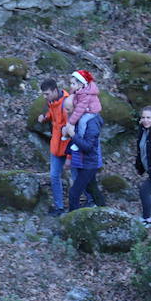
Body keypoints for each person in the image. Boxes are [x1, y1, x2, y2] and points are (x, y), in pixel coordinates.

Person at [36, 78, 72, 216]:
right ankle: (59, 207)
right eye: (43, 94)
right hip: (56, 145)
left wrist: (69, 156)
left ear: (55, 90)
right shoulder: (52, 101)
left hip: (67, 146)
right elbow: (53, 113)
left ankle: (88, 202)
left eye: (47, 94)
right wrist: (45, 117)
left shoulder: (67, 104)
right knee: (54, 176)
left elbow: (71, 131)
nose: (45, 97)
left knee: (77, 176)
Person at [67, 110, 105, 211]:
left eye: (68, 109)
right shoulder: (79, 120)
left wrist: (73, 135)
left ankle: (72, 221)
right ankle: (104, 210)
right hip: (83, 161)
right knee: (91, 188)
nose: (67, 112)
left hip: (89, 163)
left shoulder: (91, 122)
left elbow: (87, 146)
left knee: (74, 193)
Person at [61, 70, 102, 140]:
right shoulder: (78, 90)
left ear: (81, 84)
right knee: (71, 117)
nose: (71, 85)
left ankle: (80, 138)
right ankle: (68, 133)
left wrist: (71, 122)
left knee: (82, 121)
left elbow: (79, 109)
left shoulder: (86, 95)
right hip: (84, 108)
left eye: (73, 84)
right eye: (71, 83)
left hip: (91, 111)